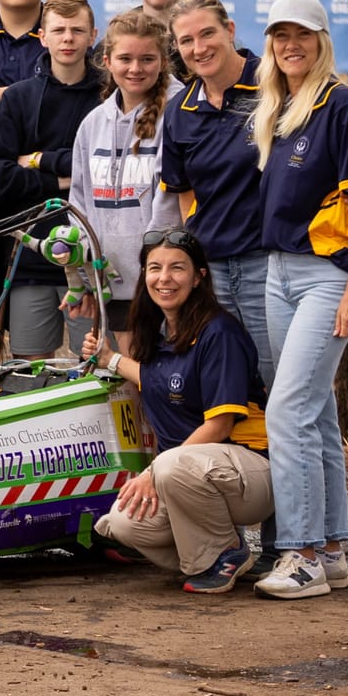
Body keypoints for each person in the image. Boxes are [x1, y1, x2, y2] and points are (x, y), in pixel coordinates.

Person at [250, 0, 348, 601]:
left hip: (326, 277)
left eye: (301, 34)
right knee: (314, 411)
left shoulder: (342, 105)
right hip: (279, 272)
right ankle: (330, 548)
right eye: (280, 35)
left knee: (286, 411)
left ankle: (299, 553)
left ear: (322, 40)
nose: (290, 45)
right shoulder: (280, 109)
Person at [83, 229, 273, 595]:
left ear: (200, 276)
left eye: (177, 268)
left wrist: (154, 472)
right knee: (123, 525)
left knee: (171, 464)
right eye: (154, 268)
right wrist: (110, 359)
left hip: (254, 475)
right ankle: (209, 554)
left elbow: (218, 427)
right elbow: (160, 380)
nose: (164, 278)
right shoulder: (161, 333)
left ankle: (226, 552)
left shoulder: (220, 333)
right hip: (195, 473)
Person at [160, 0, 274, 386]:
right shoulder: (180, 111)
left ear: (230, 30)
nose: (199, 47)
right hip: (213, 270)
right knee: (230, 378)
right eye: (186, 40)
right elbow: (183, 189)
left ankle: (304, 452)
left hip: (271, 262)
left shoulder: (275, 86)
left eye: (207, 34)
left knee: (281, 382)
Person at [0, 0, 105, 357]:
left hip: (95, 261)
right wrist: (60, 182)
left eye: (77, 30)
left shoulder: (109, 96)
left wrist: (38, 160)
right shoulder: (18, 98)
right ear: (43, 36)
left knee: (98, 366)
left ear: (93, 35)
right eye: (59, 30)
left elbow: (102, 167)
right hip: (32, 259)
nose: (68, 38)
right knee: (28, 369)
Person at [70, 11, 182, 335]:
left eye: (147, 59)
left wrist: (155, 262)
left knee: (163, 381)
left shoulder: (175, 115)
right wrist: (86, 271)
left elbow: (170, 202)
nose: (135, 68)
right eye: (125, 58)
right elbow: (78, 200)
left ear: (162, 60)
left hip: (164, 283)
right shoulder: (93, 123)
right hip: (111, 284)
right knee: (126, 381)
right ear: (107, 60)